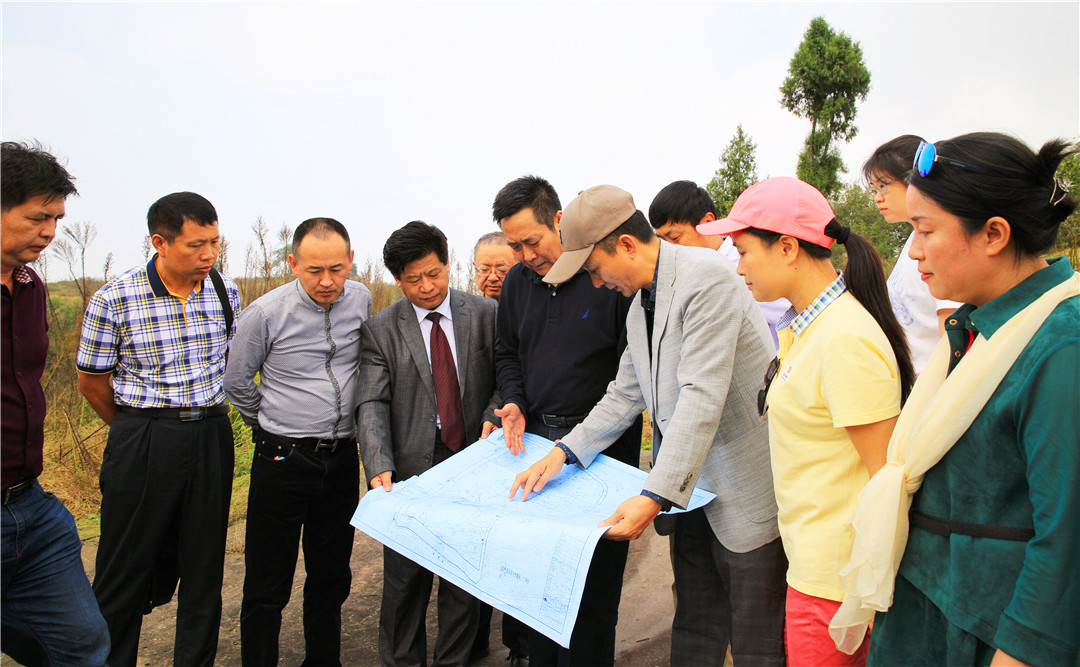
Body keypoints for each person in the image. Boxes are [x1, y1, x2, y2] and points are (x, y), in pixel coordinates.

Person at [511, 185, 786, 667]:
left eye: (595, 269)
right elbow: (624, 393)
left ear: (626, 245)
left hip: (742, 489)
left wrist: (654, 495)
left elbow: (701, 397)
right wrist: (563, 453)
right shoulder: (642, 303)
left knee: (756, 638)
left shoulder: (707, 279)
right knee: (695, 624)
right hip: (691, 491)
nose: (597, 284)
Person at [831, 133, 1079, 666]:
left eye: (925, 230)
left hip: (987, 634)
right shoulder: (972, 331)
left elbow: (1067, 542)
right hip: (927, 616)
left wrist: (1019, 653)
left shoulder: (1062, 348)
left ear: (993, 234)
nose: (914, 251)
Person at [697, 176, 914, 667]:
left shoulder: (844, 339)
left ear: (787, 248)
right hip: (816, 573)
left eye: (743, 252)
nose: (739, 268)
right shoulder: (809, 328)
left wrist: (868, 593)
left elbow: (887, 479)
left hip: (838, 586)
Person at [77, 191, 241, 667]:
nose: (208, 254)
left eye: (214, 242)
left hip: (210, 433)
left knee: (204, 569)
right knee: (124, 568)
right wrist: (137, 431)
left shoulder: (225, 291)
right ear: (160, 243)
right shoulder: (115, 298)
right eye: (195, 245)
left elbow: (230, 362)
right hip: (145, 436)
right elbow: (92, 384)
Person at [492, 175, 644, 667]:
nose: (525, 255)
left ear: (558, 220)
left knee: (594, 589)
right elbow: (507, 353)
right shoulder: (516, 283)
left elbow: (630, 380)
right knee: (540, 584)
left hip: (605, 449)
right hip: (536, 443)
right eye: (514, 246)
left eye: (531, 241)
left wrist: (582, 440)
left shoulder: (608, 278)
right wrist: (514, 401)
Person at [224, 218, 372, 666]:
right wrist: (270, 424)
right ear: (293, 263)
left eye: (336, 268)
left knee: (332, 576)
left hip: (341, 459)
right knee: (268, 582)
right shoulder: (265, 313)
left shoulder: (361, 298)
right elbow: (236, 382)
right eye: (313, 270)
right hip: (283, 459)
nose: (327, 281)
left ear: (350, 260)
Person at [357, 220, 501, 667]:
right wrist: (378, 462)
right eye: (413, 279)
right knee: (405, 580)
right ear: (397, 280)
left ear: (448, 263)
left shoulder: (486, 314)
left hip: (472, 458)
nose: (426, 287)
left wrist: (493, 413)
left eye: (434, 273)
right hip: (410, 467)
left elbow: (507, 378)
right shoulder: (381, 329)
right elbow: (372, 402)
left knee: (463, 577)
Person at [1, 141, 110, 665]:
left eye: (57, 219)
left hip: (31, 508)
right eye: (37, 217)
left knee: (81, 646)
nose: (50, 231)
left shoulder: (30, 287)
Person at [467, 229, 524, 663]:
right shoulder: (468, 314)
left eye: (501, 268)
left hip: (514, 435)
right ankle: (473, 636)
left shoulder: (525, 308)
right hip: (472, 443)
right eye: (483, 268)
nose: (491, 277)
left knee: (517, 547)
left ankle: (520, 645)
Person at [648, 179, 789, 348]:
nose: (670, 249)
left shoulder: (745, 267)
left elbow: (791, 320)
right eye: (663, 242)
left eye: (675, 238)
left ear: (708, 222)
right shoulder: (684, 277)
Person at [863, 136, 961, 375]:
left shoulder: (940, 243)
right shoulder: (914, 242)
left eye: (883, 185)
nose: (877, 197)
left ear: (915, 178)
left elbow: (953, 335)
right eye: (874, 189)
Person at [472, 231, 516, 300]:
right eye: (484, 269)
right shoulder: (463, 306)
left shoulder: (532, 305)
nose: (492, 278)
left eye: (502, 270)